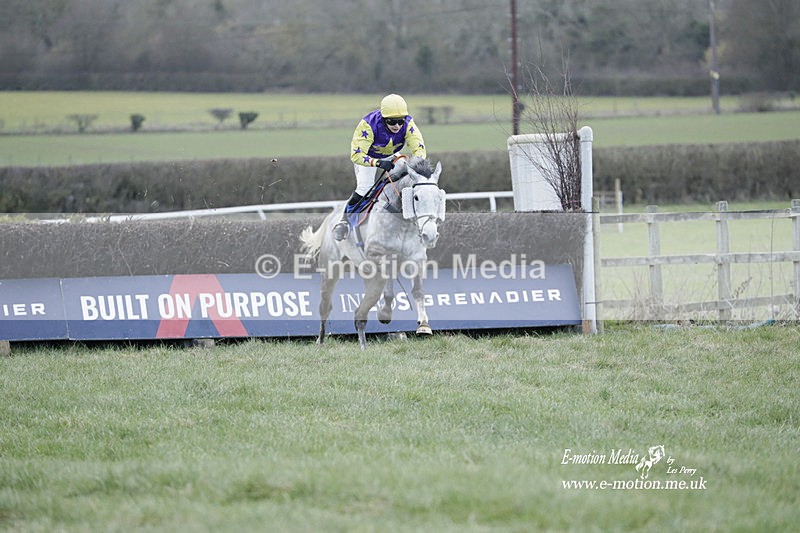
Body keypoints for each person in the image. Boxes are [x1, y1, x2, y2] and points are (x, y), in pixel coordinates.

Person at [332, 94, 427, 241]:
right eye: (392, 121)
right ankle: (344, 222)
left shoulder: (409, 124)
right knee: (365, 187)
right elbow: (356, 155)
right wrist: (377, 163)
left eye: (400, 121)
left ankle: (418, 217)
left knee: (411, 179)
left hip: (392, 155)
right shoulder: (368, 125)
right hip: (368, 157)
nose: (397, 126)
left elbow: (419, 150)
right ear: (383, 119)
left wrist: (416, 166)